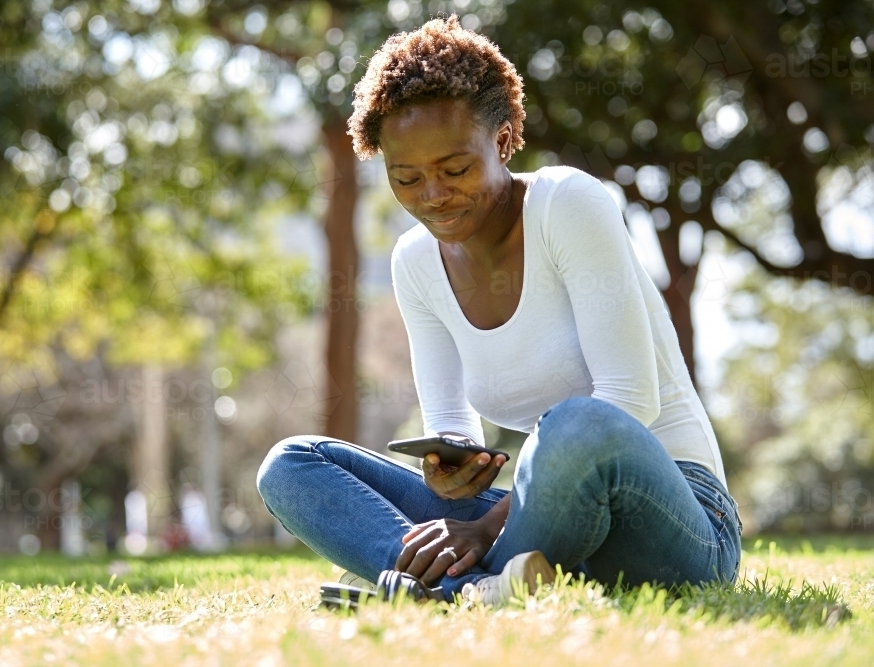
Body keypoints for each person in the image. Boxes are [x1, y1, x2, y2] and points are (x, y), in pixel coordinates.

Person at [256, 16, 742, 607]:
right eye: (406, 178)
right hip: (541, 526)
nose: (433, 195)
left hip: (677, 519)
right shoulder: (416, 261)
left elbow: (630, 399)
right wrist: (450, 470)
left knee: (574, 423)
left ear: (506, 139)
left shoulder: (567, 204)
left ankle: (438, 587)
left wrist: (486, 527)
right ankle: (472, 593)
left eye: (455, 170)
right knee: (294, 466)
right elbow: (452, 428)